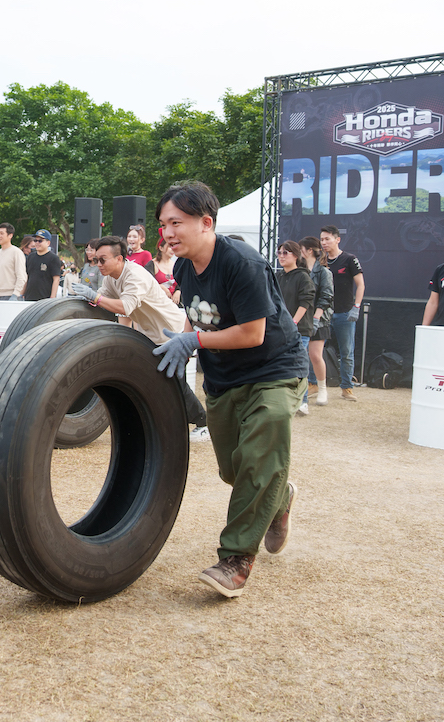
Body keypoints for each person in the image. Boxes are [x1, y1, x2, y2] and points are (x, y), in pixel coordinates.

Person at [152, 182, 306, 598]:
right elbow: (195, 314)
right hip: (223, 379)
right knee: (233, 470)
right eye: (164, 224)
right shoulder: (184, 266)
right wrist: (182, 342)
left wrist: (194, 343)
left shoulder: (242, 263)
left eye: (177, 223)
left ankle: (235, 559)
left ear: (206, 222)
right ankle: (279, 496)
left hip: (274, 369)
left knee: (260, 454)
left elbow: (254, 333)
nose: (168, 233)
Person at [71, 235, 209, 439]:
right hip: (151, 335)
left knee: (174, 381)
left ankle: (203, 423)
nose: (97, 264)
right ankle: (176, 423)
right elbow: (102, 300)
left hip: (173, 333)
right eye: (95, 260)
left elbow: (124, 307)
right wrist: (85, 298)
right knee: (159, 379)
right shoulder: (111, 277)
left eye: (102, 260)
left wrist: (95, 297)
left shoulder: (135, 276)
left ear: (119, 259)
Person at [319, 225, 364, 402]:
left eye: (327, 239)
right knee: (316, 350)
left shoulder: (349, 259)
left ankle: (347, 387)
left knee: (346, 352)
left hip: (345, 313)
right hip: (323, 313)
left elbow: (360, 284)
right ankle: (315, 383)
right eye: (322, 239)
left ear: (337, 239)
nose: (324, 243)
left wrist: (357, 307)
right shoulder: (320, 261)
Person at [275, 240, 317, 416]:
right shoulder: (278, 277)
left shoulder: (303, 276)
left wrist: (293, 322)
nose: (281, 256)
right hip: (280, 328)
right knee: (282, 365)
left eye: (286, 253)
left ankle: (303, 401)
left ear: (296, 255)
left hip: (299, 329)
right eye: (279, 253)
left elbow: (306, 301)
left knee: (298, 364)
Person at [300, 236, 334, 406]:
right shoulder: (299, 270)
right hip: (301, 318)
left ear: (309, 250)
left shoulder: (324, 272)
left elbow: (327, 296)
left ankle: (322, 388)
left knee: (315, 355)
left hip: (319, 319)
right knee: (302, 356)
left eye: (301, 249)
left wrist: (316, 317)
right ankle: (302, 392)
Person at [0, 222, 27, 334]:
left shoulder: (16, 253)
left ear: (10, 235)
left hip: (10, 296)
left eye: (2, 233)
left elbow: (22, 276)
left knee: (9, 331)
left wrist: (15, 294)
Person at [23, 229, 62, 301]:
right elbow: (28, 277)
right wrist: (22, 293)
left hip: (44, 299)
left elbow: (56, 280)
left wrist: (52, 298)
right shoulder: (30, 257)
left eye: (40, 241)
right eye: (35, 240)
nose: (37, 243)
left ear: (48, 243)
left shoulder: (53, 258)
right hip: (29, 297)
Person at [153, 238, 180, 302]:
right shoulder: (152, 264)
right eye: (170, 246)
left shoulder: (176, 265)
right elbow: (147, 283)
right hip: (158, 303)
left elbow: (182, 282)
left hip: (175, 304)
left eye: (173, 246)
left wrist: (178, 291)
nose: (172, 249)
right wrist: (161, 286)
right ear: (161, 248)